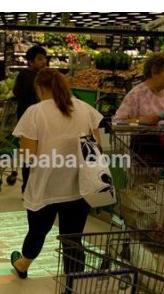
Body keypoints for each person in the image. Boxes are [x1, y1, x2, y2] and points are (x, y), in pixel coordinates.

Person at [10, 68, 103, 279]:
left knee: (37, 231)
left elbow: (28, 156)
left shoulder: (35, 112)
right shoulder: (85, 109)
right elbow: (96, 147)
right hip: (80, 186)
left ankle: (23, 264)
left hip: (46, 185)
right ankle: (74, 285)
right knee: (73, 238)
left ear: (40, 88)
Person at [13, 45, 47, 194]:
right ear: (31, 61)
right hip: (32, 121)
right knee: (32, 156)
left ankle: (27, 187)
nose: (44, 62)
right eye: (40, 59)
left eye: (45, 58)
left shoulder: (30, 75)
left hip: (27, 120)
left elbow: (15, 92)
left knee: (29, 155)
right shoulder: (29, 76)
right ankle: (29, 187)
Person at [113, 52, 164, 127]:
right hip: (143, 138)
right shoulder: (136, 94)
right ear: (154, 71)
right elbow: (117, 124)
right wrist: (143, 120)